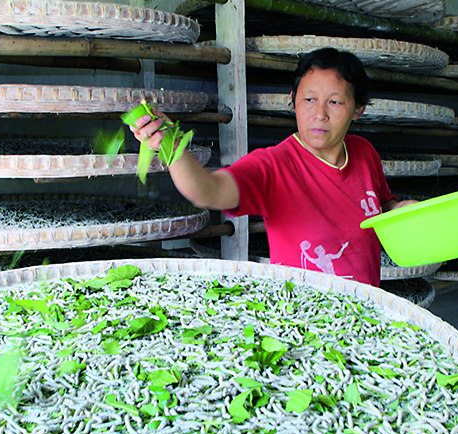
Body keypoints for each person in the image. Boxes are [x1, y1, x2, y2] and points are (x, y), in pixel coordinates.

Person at [128, 47, 416, 287]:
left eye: (335, 102)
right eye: (309, 100)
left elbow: (380, 209)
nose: (320, 114)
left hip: (367, 308)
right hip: (303, 319)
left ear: (358, 109)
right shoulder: (273, 166)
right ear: (292, 102)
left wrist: (400, 211)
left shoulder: (365, 153)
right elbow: (207, 191)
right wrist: (173, 147)